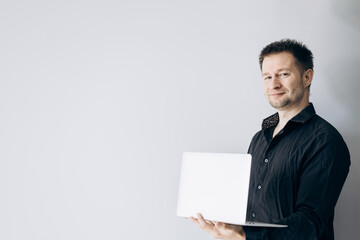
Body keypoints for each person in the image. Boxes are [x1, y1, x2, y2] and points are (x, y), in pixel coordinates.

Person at [189, 39, 351, 240]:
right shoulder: (259, 138)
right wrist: (226, 221)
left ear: (307, 77)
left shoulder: (325, 140)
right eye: (267, 76)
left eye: (283, 74)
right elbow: (253, 208)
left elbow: (310, 224)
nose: (273, 84)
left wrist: (244, 235)